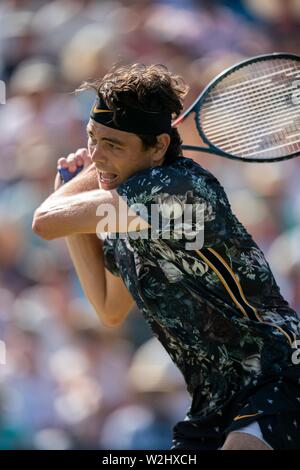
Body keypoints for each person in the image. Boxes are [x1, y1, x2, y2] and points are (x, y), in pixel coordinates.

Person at [32, 63, 300, 450]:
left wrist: (75, 185)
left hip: (280, 371)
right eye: (93, 139)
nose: (97, 155)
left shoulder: (177, 190)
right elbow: (108, 308)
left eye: (113, 145)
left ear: (159, 145)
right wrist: (75, 196)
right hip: (214, 401)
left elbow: (44, 222)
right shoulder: (124, 216)